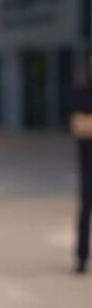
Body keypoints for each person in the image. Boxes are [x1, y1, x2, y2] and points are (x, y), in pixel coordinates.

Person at [70, 54, 92, 274]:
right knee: (85, 209)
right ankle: (81, 256)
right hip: (88, 166)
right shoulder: (83, 90)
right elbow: (79, 125)